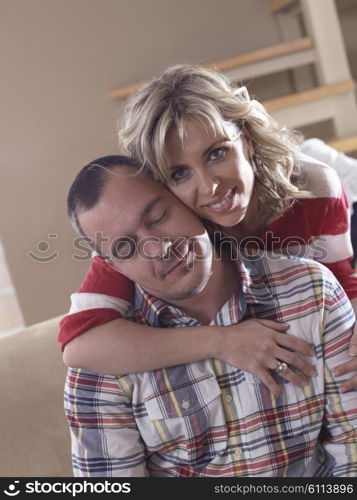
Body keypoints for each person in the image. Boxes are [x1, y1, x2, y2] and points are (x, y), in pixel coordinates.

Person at [59, 65, 357, 394]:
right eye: (179, 173)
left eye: (217, 153)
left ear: (245, 139)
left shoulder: (315, 187)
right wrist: (220, 341)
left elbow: (340, 287)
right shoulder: (160, 227)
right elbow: (79, 345)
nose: (210, 187)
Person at [65, 156, 357, 477]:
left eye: (159, 216)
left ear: (184, 198)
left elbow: (351, 453)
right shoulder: (104, 364)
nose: (159, 248)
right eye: (125, 248)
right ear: (112, 265)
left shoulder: (311, 292)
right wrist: (222, 341)